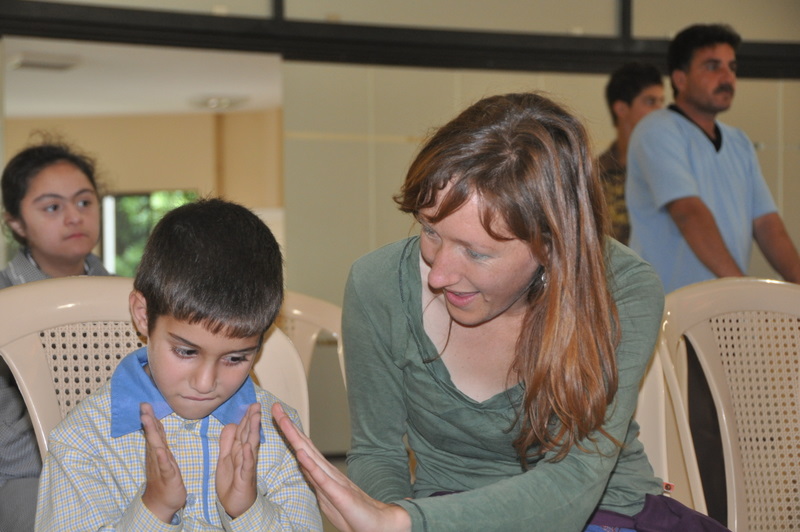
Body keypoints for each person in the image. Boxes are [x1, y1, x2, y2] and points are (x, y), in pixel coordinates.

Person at [273, 93, 729, 531]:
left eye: (476, 253)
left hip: (601, 513)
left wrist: (403, 523)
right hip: (443, 517)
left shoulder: (622, 288)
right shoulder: (377, 285)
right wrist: (394, 520)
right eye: (430, 231)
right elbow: (378, 454)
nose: (439, 274)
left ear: (551, 244)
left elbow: (576, 482)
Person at [35, 198, 322, 531]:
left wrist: (248, 510)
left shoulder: (278, 432)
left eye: (235, 358)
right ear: (143, 315)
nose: (205, 383)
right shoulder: (83, 440)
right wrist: (153, 509)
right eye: (186, 352)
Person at [626, 24, 800, 525]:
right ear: (679, 77)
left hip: (725, 321)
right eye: (712, 66)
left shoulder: (739, 143)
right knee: (689, 446)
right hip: (668, 321)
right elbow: (688, 212)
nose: (727, 76)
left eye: (732, 67)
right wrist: (738, 291)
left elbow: (767, 224)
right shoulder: (657, 130)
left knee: (736, 442)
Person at [0, 140, 110, 532]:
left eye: (84, 202)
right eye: (52, 207)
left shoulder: (131, 298)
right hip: (24, 472)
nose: (75, 217)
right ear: (16, 223)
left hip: (120, 466)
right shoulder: (3, 300)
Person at [599, 62, 664, 244]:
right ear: (621, 109)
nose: (660, 111)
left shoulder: (668, 169)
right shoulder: (594, 175)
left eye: (662, 101)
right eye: (651, 102)